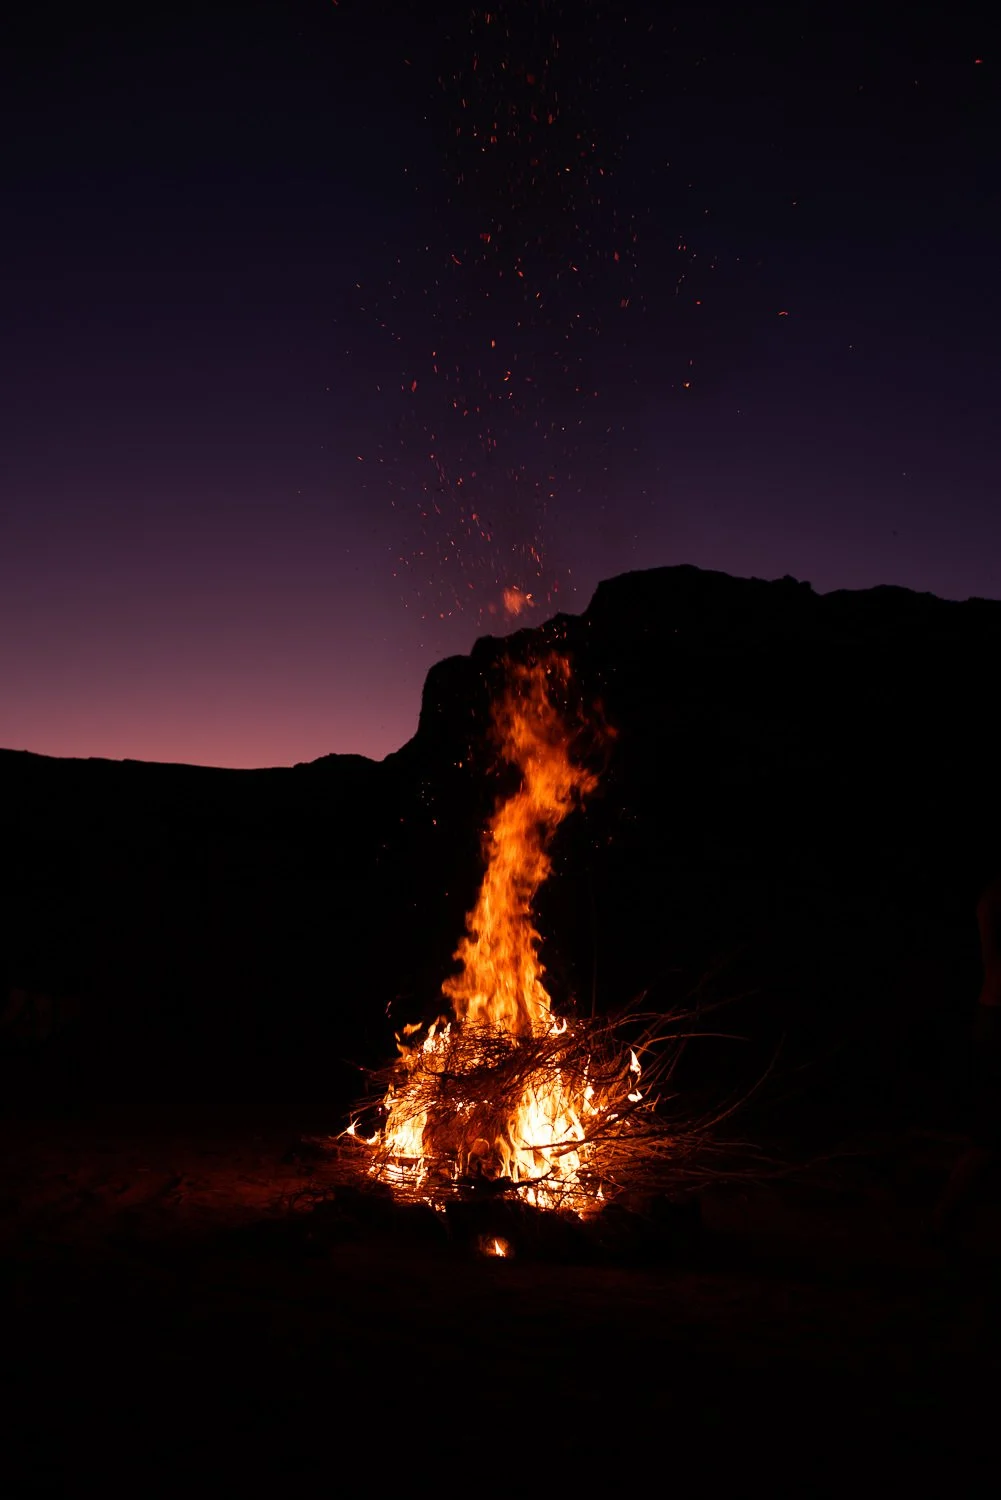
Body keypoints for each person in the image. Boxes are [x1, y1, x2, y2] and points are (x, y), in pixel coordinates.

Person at [930, 874, 1001, 1237]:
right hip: (999, 1019)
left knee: (990, 1135)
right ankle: (946, 1219)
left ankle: (950, 1218)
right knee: (991, 1138)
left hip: (991, 1015)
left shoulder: (991, 896)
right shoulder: (996, 898)